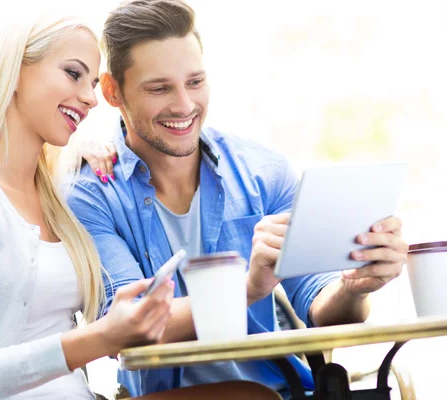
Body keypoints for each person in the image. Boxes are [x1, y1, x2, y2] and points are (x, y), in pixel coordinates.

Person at [66, 0, 409, 398]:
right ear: (112, 91)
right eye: (160, 88)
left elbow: (321, 308)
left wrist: (356, 285)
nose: (184, 105)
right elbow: (124, 332)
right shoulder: (92, 198)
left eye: (195, 82)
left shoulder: (264, 174)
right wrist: (247, 289)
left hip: (285, 391)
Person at [0, 10, 176, 400]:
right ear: (14, 71)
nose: (91, 97)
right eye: (73, 73)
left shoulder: (55, 199)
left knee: (248, 394)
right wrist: (98, 338)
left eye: (92, 82)